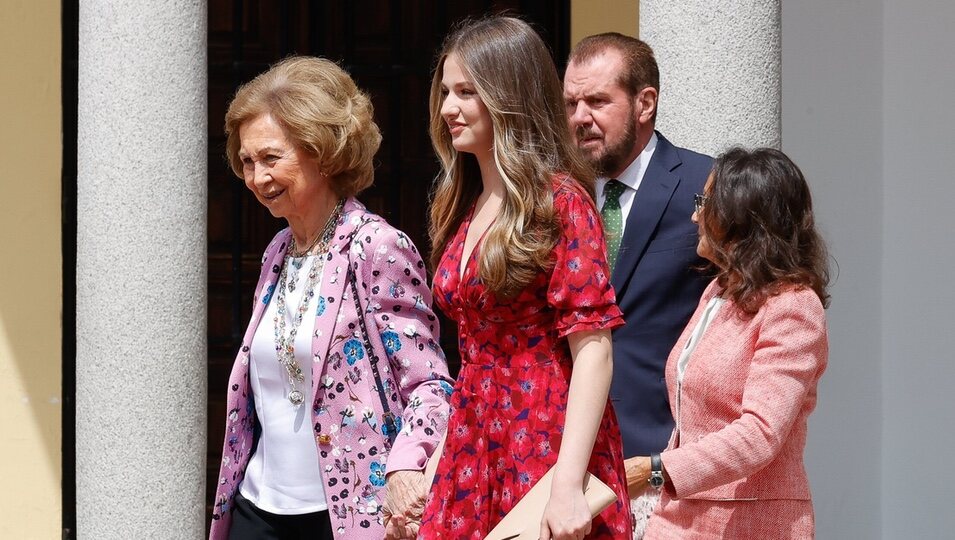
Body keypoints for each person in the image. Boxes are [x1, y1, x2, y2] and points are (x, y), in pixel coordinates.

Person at [209, 56, 453, 540]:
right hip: (257, 509)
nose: (257, 178)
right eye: (247, 162)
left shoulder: (376, 247)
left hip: (344, 517)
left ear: (321, 151)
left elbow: (431, 385)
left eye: (271, 158)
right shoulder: (278, 251)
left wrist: (407, 468)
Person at [416, 16, 633, 540]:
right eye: (446, 91)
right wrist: (442, 455)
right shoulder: (466, 204)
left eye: (467, 92)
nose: (448, 107)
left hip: (542, 434)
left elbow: (594, 351)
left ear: (508, 94)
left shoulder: (561, 202)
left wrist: (567, 483)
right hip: (475, 434)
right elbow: (474, 357)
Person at [631, 147, 830, 538]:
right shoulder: (718, 291)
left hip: (749, 523)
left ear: (742, 217)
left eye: (705, 202)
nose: (694, 215)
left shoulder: (793, 308)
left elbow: (760, 433)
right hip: (679, 516)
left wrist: (656, 470)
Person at [563, 33, 713, 534]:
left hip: (663, 469)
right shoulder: (553, 197)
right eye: (571, 103)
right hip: (561, 465)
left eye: (598, 101)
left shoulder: (706, 187)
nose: (581, 116)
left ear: (645, 102)